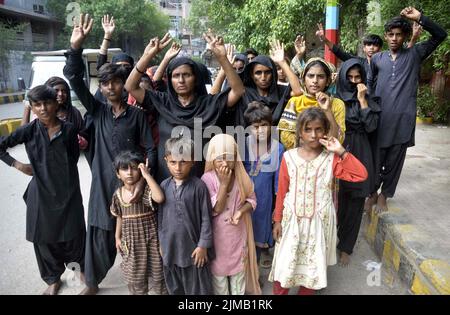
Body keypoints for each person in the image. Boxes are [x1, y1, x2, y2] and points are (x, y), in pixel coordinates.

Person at [63, 13, 156, 295]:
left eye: (116, 82)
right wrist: (76, 49)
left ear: (122, 84)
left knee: (137, 231)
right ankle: (92, 282)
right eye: (105, 84)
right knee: (100, 231)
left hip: (132, 182)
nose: (111, 87)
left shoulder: (136, 116)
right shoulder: (97, 111)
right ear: (101, 89)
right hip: (104, 182)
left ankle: (143, 280)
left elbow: (149, 147)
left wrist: (142, 177)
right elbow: (74, 79)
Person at [269, 107, 368, 294]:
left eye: (318, 129)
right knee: (284, 267)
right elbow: (282, 192)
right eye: (308, 129)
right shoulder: (288, 157)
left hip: (319, 223)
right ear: (299, 132)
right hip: (292, 222)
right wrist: (277, 220)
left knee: (312, 270)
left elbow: (361, 174)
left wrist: (340, 151)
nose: (313, 135)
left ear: (325, 131)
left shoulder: (331, 159)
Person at [0, 85, 86, 295]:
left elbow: (73, 158)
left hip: (68, 191)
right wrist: (18, 165)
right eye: (37, 104)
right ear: (32, 107)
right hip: (41, 193)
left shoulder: (69, 130)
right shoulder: (28, 131)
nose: (43, 108)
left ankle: (80, 272)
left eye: (47, 102)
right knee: (43, 239)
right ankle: (53, 279)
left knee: (74, 234)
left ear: (56, 103)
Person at [125, 32, 244, 182]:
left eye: (186, 75)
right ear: (170, 79)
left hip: (202, 181)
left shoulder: (209, 103)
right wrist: (146, 56)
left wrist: (222, 58)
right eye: (176, 76)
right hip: (165, 181)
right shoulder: (162, 102)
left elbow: (238, 91)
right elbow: (130, 86)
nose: (181, 80)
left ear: (195, 79)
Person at [366, 7, 447, 213]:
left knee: (395, 159)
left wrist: (420, 17)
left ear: (405, 36)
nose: (394, 38)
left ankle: (385, 195)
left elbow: (441, 34)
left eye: (398, 34)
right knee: (375, 159)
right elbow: (370, 84)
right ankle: (373, 192)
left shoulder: (415, 54)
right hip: (381, 118)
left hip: (403, 118)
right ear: (386, 36)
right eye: (390, 34)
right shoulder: (377, 59)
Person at [201, 134, 261, 295]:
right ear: (212, 159)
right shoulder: (207, 179)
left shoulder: (241, 176)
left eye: (229, 158)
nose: (225, 163)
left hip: (237, 236)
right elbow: (217, 209)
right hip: (217, 239)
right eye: (219, 159)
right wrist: (224, 184)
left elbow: (252, 200)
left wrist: (241, 211)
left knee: (238, 278)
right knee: (219, 282)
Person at [336, 59, 380, 266]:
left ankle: (346, 247)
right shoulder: (335, 99)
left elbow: (371, 127)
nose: (354, 82)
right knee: (337, 199)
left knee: (354, 201)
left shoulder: (369, 99)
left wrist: (362, 101)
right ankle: (333, 239)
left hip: (360, 151)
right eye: (350, 78)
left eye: (358, 77)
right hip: (339, 147)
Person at [158, 136, 214, 295]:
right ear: (166, 160)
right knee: (175, 286)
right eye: (173, 162)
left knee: (197, 287)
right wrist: (162, 244)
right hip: (171, 247)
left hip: (193, 249)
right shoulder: (164, 186)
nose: (178, 167)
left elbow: (206, 218)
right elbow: (161, 219)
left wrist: (203, 245)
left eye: (183, 162)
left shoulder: (199, 187)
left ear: (192, 161)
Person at [110, 151, 166, 295]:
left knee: (159, 277)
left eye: (134, 168)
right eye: (124, 169)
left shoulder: (146, 190)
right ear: (117, 173)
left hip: (152, 240)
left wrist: (147, 175)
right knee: (137, 281)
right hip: (131, 244)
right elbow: (119, 217)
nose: (129, 173)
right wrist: (117, 237)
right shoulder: (117, 195)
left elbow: (159, 198)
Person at [215, 39, 302, 129]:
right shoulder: (243, 93)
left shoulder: (280, 92)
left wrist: (282, 62)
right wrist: (223, 68)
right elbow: (214, 102)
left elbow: (298, 91)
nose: (263, 77)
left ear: (273, 74)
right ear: (252, 75)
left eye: (267, 72)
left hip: (274, 140)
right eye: (258, 73)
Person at [242, 101, 284, 268]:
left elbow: (278, 184)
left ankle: (255, 273)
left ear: (271, 125)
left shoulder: (278, 149)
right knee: (241, 237)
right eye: (255, 126)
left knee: (258, 234)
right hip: (242, 198)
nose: (259, 130)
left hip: (263, 201)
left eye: (264, 126)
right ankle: (243, 275)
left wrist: (277, 208)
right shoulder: (242, 145)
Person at [278, 57, 346, 150]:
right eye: (310, 76)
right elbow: (285, 136)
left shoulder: (337, 104)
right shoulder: (295, 102)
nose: (315, 81)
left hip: (327, 158)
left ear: (328, 81)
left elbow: (338, 139)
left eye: (321, 76)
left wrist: (327, 110)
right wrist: (311, 147)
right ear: (303, 80)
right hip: (300, 157)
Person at [316, 23, 383, 76]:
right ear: (364, 48)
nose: (371, 47)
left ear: (380, 48)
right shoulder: (360, 63)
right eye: (369, 45)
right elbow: (341, 53)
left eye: (375, 45)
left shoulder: (385, 64)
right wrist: (325, 40)